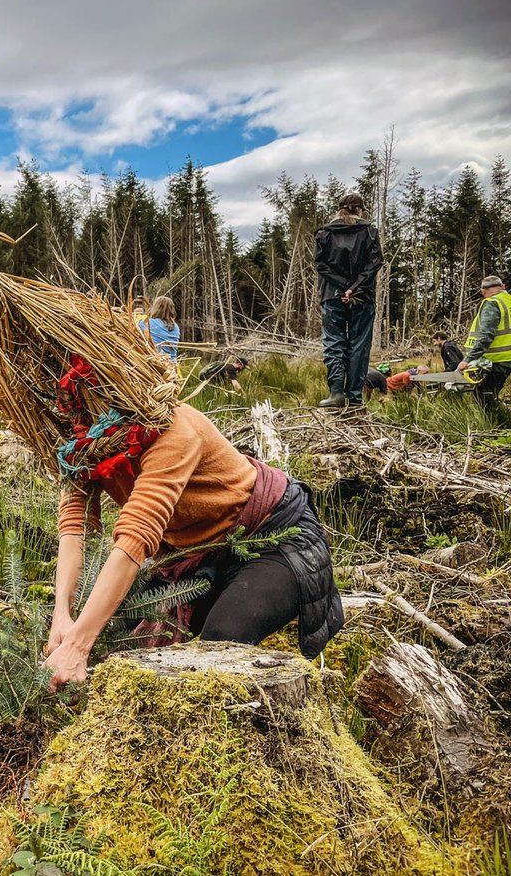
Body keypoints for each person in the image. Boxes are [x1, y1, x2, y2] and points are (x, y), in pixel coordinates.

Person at [43, 396, 342, 690]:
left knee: (219, 646)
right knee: (116, 632)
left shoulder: (173, 427)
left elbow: (137, 535)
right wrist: (63, 615)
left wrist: (78, 645)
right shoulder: (81, 447)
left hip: (270, 536)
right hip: (192, 555)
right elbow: (76, 527)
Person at [315, 192, 383, 408]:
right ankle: (354, 397)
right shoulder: (369, 232)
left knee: (334, 342)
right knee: (359, 346)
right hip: (362, 297)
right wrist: (354, 288)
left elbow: (321, 265)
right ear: (361, 210)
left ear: (340, 209)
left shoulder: (325, 234)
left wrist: (344, 287)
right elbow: (375, 263)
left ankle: (336, 393)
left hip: (331, 295)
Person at [458, 275, 511, 413]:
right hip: (506, 360)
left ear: (482, 291)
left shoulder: (492, 303)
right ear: (503, 287)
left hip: (497, 360)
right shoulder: (508, 301)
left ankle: (494, 427)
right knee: (490, 394)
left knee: (482, 396)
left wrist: (468, 359)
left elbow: (486, 335)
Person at [141, 295, 181, 363]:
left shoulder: (147, 323)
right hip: (172, 366)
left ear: (155, 308)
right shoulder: (175, 327)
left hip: (155, 365)